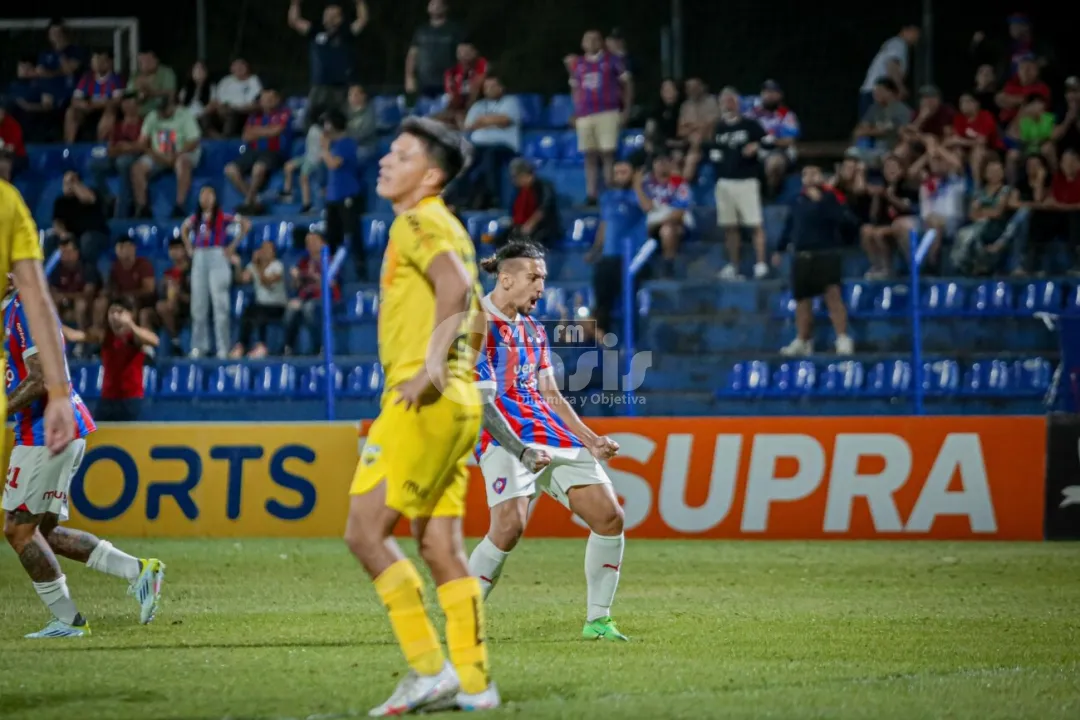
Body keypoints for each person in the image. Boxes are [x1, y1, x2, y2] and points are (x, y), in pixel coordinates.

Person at [343, 117, 498, 715]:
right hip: (461, 403)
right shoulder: (451, 226)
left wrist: (432, 369)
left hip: (424, 400)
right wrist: (459, 368)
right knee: (439, 546)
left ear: (429, 175)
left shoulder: (416, 220)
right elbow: (478, 309)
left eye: (401, 155)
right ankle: (478, 683)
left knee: (364, 532)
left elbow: (457, 289)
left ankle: (430, 670)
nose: (386, 160)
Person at [467, 240, 628, 641]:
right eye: (534, 277)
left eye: (544, 278)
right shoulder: (475, 327)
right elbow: (481, 404)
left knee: (610, 518)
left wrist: (590, 440)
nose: (542, 287)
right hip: (504, 437)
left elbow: (550, 394)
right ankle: (460, 618)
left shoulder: (534, 330)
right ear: (506, 279)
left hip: (548, 435)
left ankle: (598, 621)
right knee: (509, 527)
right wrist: (520, 450)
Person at [4, 286, 165, 638]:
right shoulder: (15, 310)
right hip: (49, 430)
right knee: (42, 531)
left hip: (47, 432)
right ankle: (139, 570)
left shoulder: (24, 310)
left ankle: (68, 621)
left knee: (18, 530)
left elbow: (41, 377)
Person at [772, 166, 855, 356]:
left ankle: (842, 338)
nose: (809, 177)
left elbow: (843, 220)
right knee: (802, 300)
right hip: (802, 255)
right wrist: (779, 248)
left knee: (833, 296)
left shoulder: (830, 198)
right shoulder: (797, 200)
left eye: (813, 173)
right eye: (805, 173)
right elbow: (790, 225)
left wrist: (822, 202)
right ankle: (803, 339)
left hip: (825, 253)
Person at [180, 186, 249, 359]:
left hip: (218, 254)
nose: (206, 198)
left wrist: (232, 246)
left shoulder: (223, 216)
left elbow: (246, 224)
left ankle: (223, 348)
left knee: (220, 303)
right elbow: (183, 228)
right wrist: (189, 247)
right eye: (203, 194)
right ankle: (198, 346)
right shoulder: (195, 219)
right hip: (200, 256)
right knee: (198, 304)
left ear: (215, 198)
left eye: (210, 194)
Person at [64, 296, 158, 422]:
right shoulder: (104, 335)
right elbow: (73, 336)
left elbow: (154, 340)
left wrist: (131, 325)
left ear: (130, 314)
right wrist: (51, 321)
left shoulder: (135, 336)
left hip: (131, 400)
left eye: (120, 312)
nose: (115, 316)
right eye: (112, 312)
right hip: (107, 400)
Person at [230, 239, 286, 358]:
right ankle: (241, 345)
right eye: (263, 249)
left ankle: (262, 346)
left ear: (273, 252)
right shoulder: (253, 266)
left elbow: (267, 281)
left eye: (267, 249)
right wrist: (238, 265)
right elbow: (241, 280)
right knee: (248, 311)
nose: (264, 252)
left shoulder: (278, 266)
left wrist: (257, 266)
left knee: (260, 312)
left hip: (277, 305)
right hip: (261, 304)